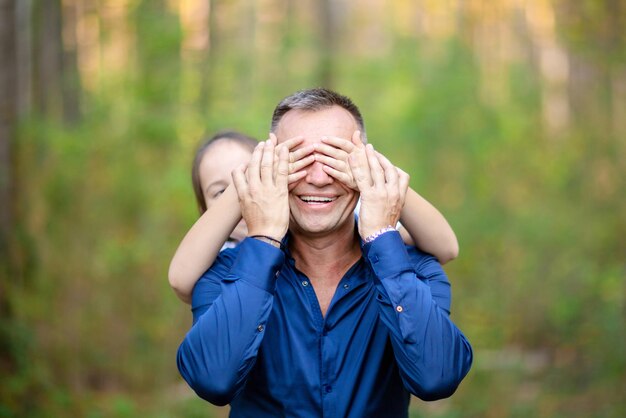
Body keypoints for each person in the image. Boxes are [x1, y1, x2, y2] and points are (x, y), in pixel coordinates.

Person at [175, 88, 472, 417]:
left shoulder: (413, 269)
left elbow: (438, 379)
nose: (317, 178)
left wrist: (380, 231)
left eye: (334, 160)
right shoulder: (224, 274)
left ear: (362, 169)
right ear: (271, 170)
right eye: (299, 160)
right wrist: (264, 238)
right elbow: (212, 381)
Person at [169, 131, 459, 304]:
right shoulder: (219, 259)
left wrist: (375, 171)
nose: (247, 195)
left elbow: (445, 247)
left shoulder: (317, 227)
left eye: (258, 175)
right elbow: (180, 280)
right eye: (222, 193)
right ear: (205, 211)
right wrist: (241, 188)